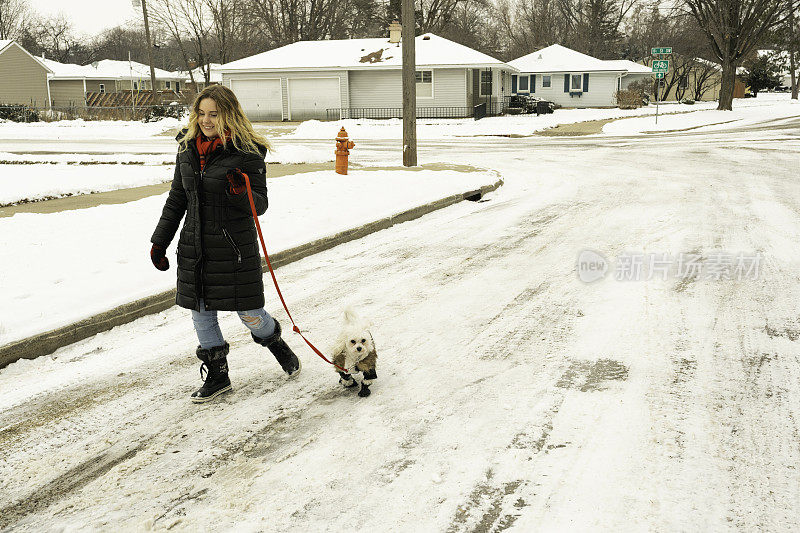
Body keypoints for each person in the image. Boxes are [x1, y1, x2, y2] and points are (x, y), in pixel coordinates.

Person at [150, 85, 300, 404]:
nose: (206, 120)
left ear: (228, 114)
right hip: (195, 248)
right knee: (201, 311)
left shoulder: (247, 151)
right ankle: (218, 376)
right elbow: (178, 197)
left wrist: (237, 191)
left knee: (250, 314)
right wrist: (159, 241)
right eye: (201, 113)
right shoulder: (187, 148)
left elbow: (259, 204)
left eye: (213, 114)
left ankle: (274, 341)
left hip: (233, 248)